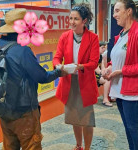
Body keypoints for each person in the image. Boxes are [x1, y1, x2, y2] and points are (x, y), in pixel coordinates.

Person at [0, 8, 67, 150]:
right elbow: (41, 76)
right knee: (31, 146)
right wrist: (58, 72)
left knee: (9, 146)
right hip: (24, 112)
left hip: (4, 111)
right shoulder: (22, 50)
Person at [53, 3, 99, 150]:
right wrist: (58, 66)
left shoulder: (93, 38)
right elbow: (57, 57)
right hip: (69, 83)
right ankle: (78, 145)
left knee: (87, 120)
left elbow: (93, 63)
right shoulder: (64, 37)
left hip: (85, 83)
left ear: (84, 21)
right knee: (74, 118)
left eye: (76, 19)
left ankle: (87, 147)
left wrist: (80, 67)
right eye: (70, 18)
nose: (72, 22)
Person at [102, 0, 138, 149]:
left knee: (135, 131)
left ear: (129, 11)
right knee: (129, 131)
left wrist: (121, 71)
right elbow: (118, 60)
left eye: (117, 11)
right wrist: (109, 68)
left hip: (133, 94)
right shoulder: (122, 34)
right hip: (120, 92)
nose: (114, 15)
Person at [95, 41, 113, 107]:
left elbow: (102, 67)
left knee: (110, 77)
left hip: (97, 73)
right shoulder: (93, 55)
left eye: (105, 48)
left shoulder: (100, 56)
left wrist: (105, 71)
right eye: (102, 48)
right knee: (106, 80)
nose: (104, 50)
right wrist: (102, 74)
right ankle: (105, 99)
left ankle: (110, 96)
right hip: (90, 75)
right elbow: (95, 68)